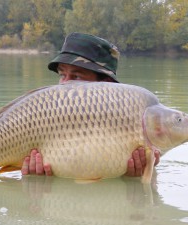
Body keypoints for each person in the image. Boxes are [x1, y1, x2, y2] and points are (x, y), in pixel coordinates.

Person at [21, 32, 160, 177]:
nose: (65, 84)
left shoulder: (130, 120)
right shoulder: (42, 112)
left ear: (106, 84)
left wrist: (131, 177)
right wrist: (35, 182)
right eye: (62, 75)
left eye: (76, 77)